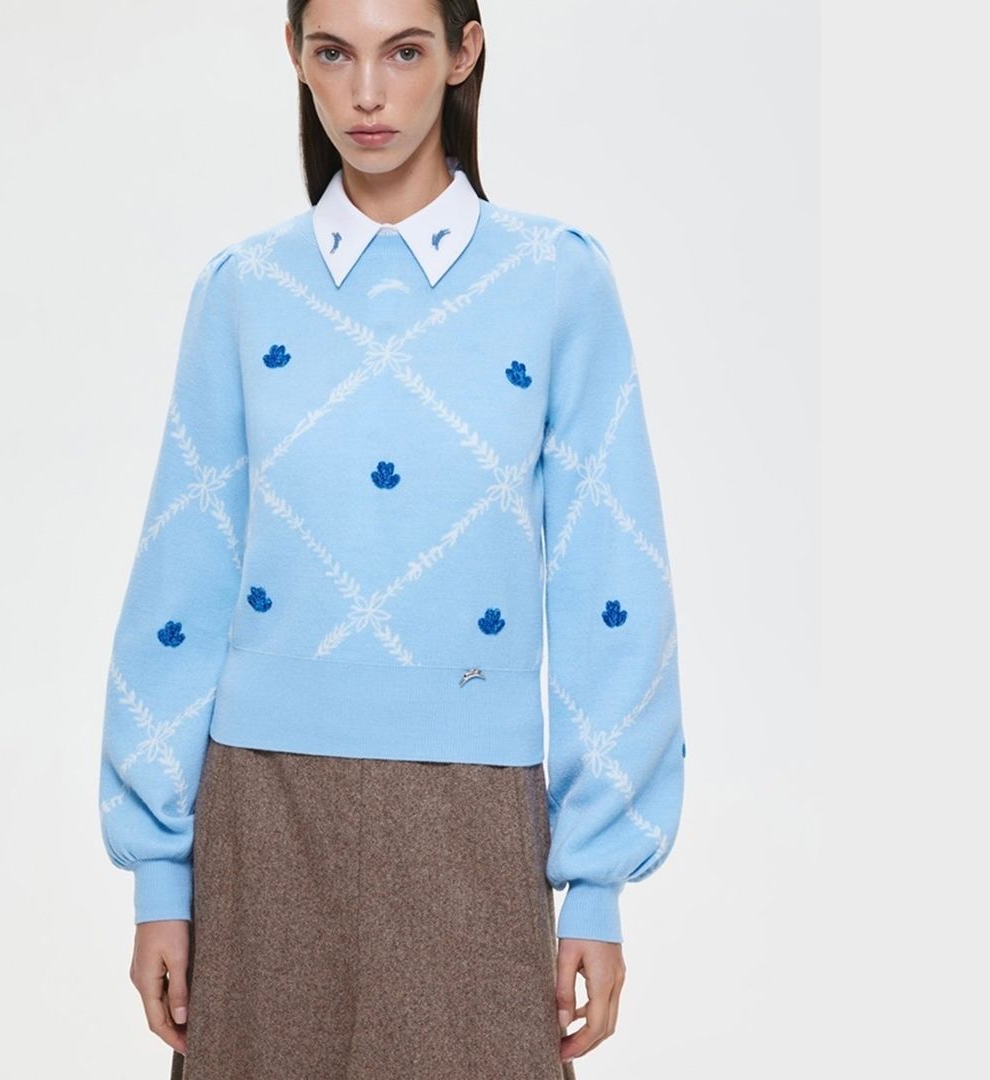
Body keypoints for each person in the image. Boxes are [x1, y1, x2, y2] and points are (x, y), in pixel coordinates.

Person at [96, 2, 687, 1075]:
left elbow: (610, 581)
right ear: (297, 56)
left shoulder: (556, 280)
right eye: (335, 53)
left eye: (404, 51)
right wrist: (160, 878)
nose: (367, 94)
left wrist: (597, 883)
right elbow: (181, 583)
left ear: (463, 52)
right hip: (261, 810)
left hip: (474, 812)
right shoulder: (244, 291)